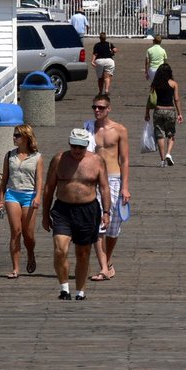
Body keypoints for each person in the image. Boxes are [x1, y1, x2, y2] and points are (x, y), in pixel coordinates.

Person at [42, 128, 110, 300]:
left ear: (87, 145)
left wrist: (107, 212)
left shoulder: (97, 161)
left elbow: (104, 188)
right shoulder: (59, 159)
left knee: (83, 253)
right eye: (74, 146)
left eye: (81, 147)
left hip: (87, 210)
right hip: (62, 210)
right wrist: (44, 214)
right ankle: (64, 288)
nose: (77, 150)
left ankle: (80, 290)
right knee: (60, 249)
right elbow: (49, 188)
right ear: (69, 144)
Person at [85, 92, 130, 282]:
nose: (97, 110)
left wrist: (125, 187)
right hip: (94, 180)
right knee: (97, 225)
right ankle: (104, 267)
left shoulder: (119, 130)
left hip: (113, 178)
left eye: (101, 107)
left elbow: (125, 159)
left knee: (112, 228)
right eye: (95, 107)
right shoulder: (88, 128)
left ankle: (107, 262)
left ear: (108, 109)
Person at [0, 124, 44, 279]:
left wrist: (37, 197)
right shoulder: (10, 155)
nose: (14, 138)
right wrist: (0, 200)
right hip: (13, 195)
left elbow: (39, 180)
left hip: (29, 195)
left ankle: (30, 254)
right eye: (14, 135)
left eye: (17, 135)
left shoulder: (37, 157)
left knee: (28, 235)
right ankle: (15, 268)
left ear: (26, 138)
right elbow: (4, 180)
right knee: (16, 232)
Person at [144, 63, 183, 168]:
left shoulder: (155, 84)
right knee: (171, 134)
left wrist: (147, 112)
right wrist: (179, 113)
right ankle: (168, 154)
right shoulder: (174, 84)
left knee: (160, 135)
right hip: (170, 111)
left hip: (158, 111)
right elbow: (176, 99)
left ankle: (162, 161)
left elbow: (150, 99)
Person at [91, 31, 117, 96]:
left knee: (100, 78)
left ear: (100, 38)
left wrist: (92, 61)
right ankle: (106, 90)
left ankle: (100, 92)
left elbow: (95, 54)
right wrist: (113, 51)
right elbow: (115, 50)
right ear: (105, 38)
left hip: (99, 61)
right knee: (107, 77)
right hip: (109, 60)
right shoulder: (109, 44)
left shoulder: (97, 45)